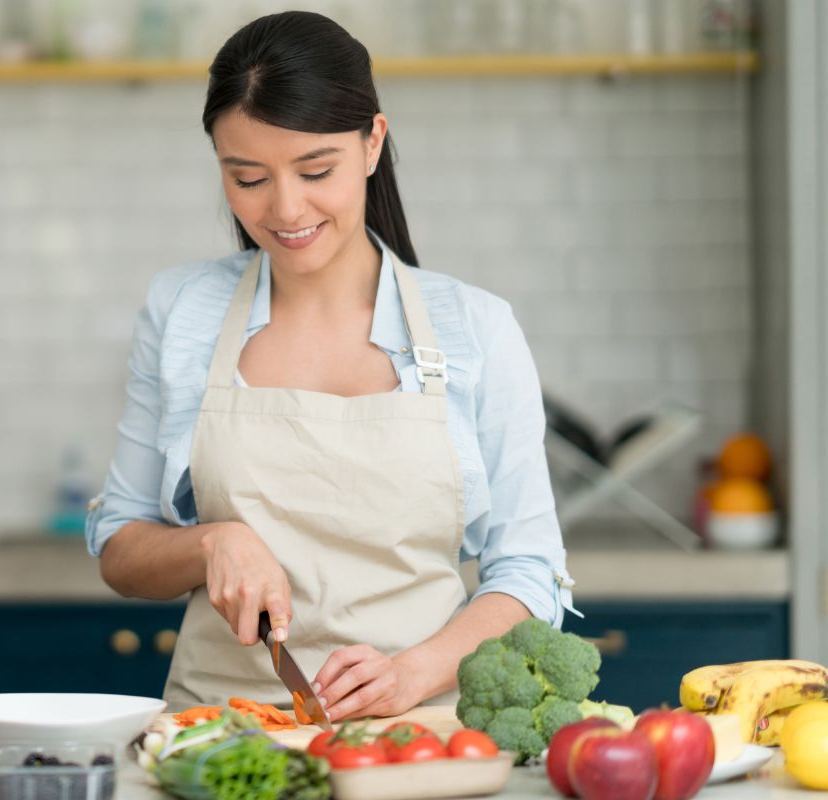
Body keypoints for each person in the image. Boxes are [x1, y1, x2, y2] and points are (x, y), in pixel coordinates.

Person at [85, 10, 577, 721]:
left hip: (417, 738)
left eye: (317, 170)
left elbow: (530, 572)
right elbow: (121, 548)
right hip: (223, 742)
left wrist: (413, 674)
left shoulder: (475, 328)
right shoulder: (182, 311)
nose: (286, 209)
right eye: (247, 177)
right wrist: (210, 543)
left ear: (373, 142)